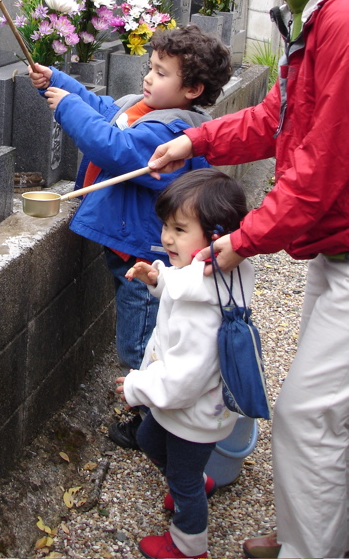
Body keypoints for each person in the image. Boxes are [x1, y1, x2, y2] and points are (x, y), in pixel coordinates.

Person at [148, 0, 349, 559]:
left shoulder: (341, 15)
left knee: (308, 414)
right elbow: (277, 116)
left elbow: (319, 170)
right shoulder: (316, 1)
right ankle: (310, 534)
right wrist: (193, 138)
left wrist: (242, 239)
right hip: (335, 243)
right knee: (329, 413)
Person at [29, 24, 232, 449]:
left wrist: (66, 107)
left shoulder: (171, 131)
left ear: (192, 89)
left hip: (145, 255)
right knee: (142, 330)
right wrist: (58, 83)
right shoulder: (142, 108)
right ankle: (156, 410)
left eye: (160, 73)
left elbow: (114, 149)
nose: (148, 77)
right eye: (150, 67)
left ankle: (152, 426)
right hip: (128, 244)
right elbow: (104, 110)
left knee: (141, 339)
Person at [116, 168, 253, 559]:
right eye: (165, 226)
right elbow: (184, 287)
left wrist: (133, 386)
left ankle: (189, 544)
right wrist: (158, 281)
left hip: (193, 412)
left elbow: (181, 380)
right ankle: (195, 482)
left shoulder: (202, 314)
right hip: (188, 407)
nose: (166, 238)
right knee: (147, 439)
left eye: (178, 229)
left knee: (182, 475)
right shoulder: (217, 275)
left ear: (216, 236)